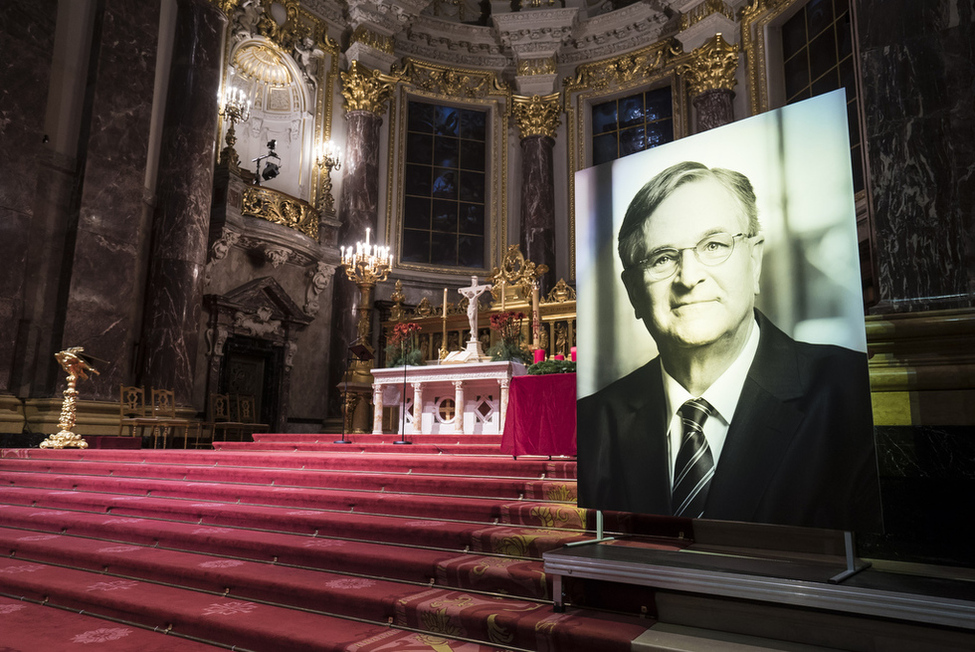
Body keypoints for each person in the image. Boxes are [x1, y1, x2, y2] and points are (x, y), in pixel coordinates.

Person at [577, 161, 882, 532]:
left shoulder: (854, 394)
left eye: (714, 245)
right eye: (662, 258)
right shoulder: (594, 421)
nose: (689, 277)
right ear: (634, 292)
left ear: (754, 261)